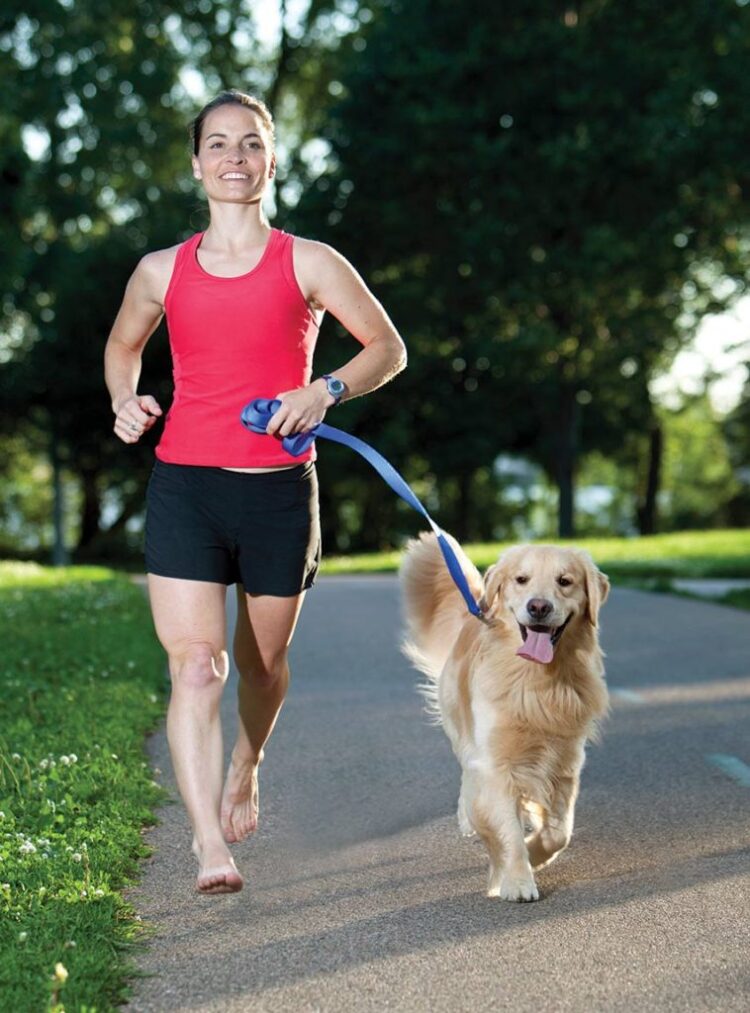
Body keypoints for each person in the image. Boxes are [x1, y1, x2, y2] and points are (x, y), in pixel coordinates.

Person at [104, 90, 407, 894]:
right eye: (219, 144)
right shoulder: (160, 270)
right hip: (187, 489)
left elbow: (388, 347)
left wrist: (327, 390)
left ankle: (248, 759)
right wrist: (122, 398)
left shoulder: (309, 261)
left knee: (263, 663)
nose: (235, 158)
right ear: (196, 162)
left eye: (251, 144)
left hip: (278, 494)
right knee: (197, 666)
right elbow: (122, 346)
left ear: (271, 161)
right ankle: (208, 843)